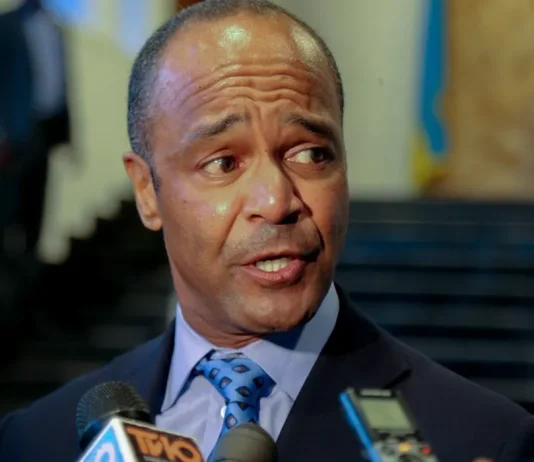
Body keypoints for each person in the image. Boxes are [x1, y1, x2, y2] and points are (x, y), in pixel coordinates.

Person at [0, 1, 533, 461]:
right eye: (223, 163)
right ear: (146, 192)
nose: (276, 202)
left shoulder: (480, 438)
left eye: (311, 154)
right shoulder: (36, 443)